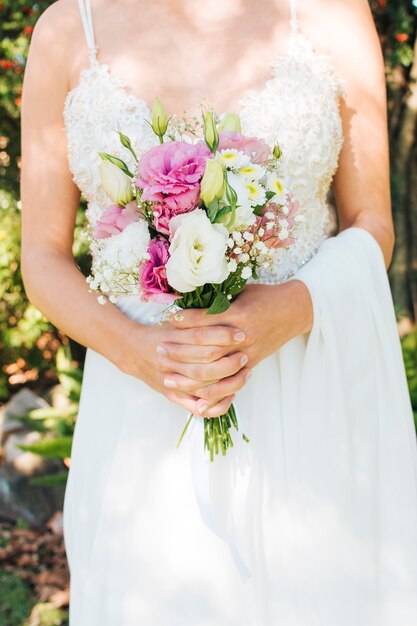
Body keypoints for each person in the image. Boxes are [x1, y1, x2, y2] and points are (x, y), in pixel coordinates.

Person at [20, 0, 417, 624]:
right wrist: (138, 351)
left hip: (306, 391)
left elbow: (374, 223)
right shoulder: (68, 28)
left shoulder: (333, 14)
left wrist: (292, 308)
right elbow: (41, 259)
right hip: (143, 412)